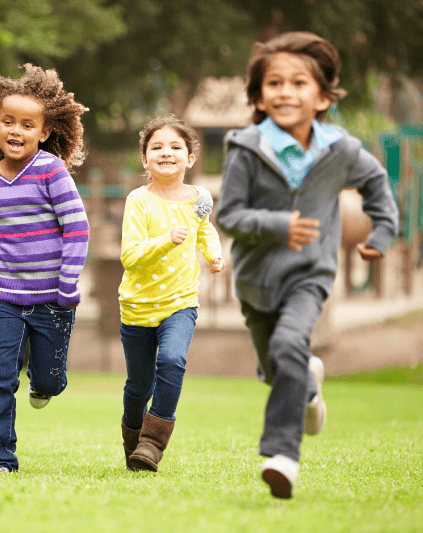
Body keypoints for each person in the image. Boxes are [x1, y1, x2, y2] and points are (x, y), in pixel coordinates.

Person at [217, 32, 399, 498]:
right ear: (258, 95)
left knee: (289, 343)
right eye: (274, 83)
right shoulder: (246, 148)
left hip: (309, 274)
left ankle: (283, 456)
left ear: (321, 97)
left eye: (299, 83)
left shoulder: (339, 150)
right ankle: (309, 391)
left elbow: (379, 187)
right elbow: (230, 215)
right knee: (275, 366)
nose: (285, 92)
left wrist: (380, 234)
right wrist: (279, 225)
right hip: (256, 279)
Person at [0, 63, 90, 473]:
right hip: (6, 298)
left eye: (27, 125)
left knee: (48, 382)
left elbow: (77, 228)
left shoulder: (51, 171)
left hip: (53, 298)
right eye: (8, 122)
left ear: (44, 132)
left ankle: (44, 375)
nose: (17, 131)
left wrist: (67, 284)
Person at [118, 115, 225, 472]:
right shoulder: (138, 201)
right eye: (157, 147)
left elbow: (204, 230)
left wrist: (214, 254)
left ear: (190, 158)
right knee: (138, 386)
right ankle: (133, 437)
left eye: (176, 147)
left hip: (180, 302)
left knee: (172, 361)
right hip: (137, 306)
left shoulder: (200, 197)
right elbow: (129, 257)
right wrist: (166, 241)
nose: (167, 152)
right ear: (145, 159)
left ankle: (152, 443)